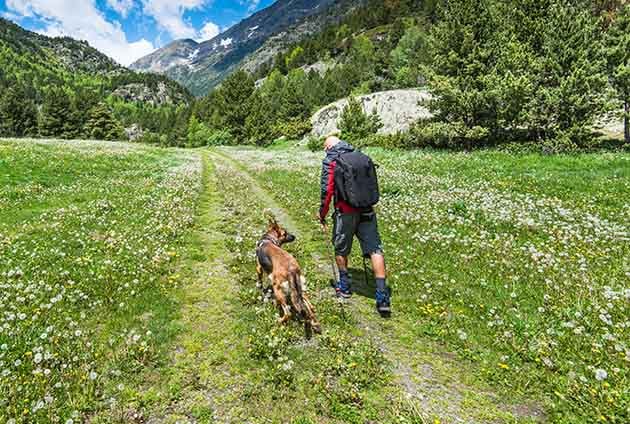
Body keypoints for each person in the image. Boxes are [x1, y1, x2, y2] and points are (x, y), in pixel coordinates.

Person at [318, 135, 391, 314]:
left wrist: (322, 213)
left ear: (328, 147)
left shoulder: (331, 160)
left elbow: (327, 191)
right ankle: (382, 296)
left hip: (346, 212)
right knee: (375, 249)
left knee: (341, 248)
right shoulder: (361, 156)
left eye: (325, 149)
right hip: (367, 209)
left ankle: (344, 286)